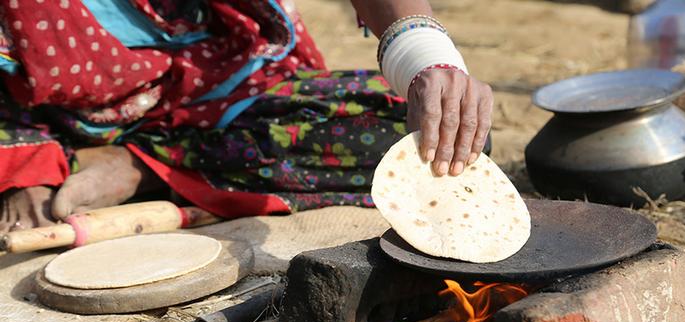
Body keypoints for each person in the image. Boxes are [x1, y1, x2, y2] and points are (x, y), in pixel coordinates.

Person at [0, 0, 493, 233]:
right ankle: (65, 159)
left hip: (227, 86)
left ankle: (140, 165)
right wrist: (28, 161)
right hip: (50, 103)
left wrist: (426, 58)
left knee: (423, 136)